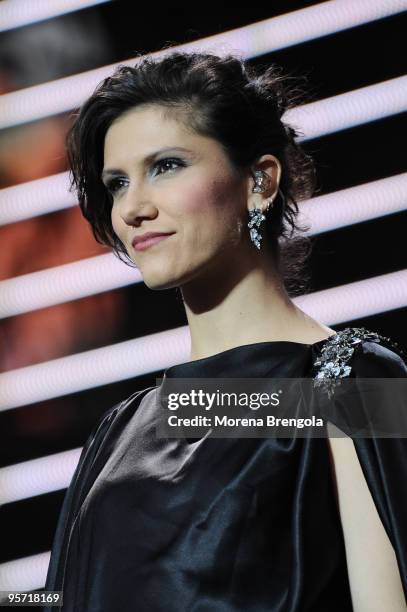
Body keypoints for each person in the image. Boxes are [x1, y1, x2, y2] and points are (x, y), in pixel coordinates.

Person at [44, 50, 407, 611]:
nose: (133, 207)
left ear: (259, 181)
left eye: (165, 165)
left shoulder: (357, 383)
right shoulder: (121, 432)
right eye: (117, 183)